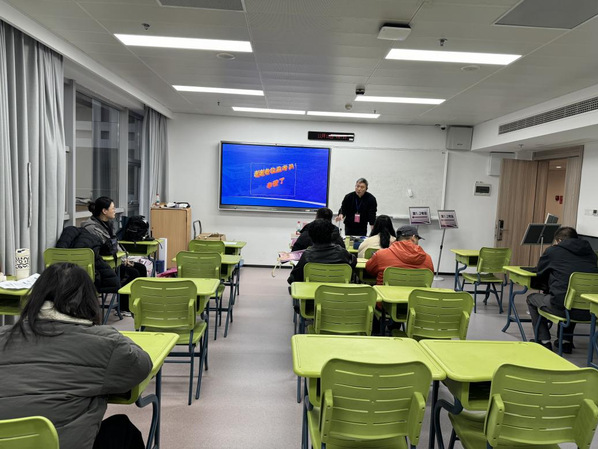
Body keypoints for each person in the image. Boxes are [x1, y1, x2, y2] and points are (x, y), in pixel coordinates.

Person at [0, 263, 152, 449]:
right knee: (123, 430)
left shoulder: (3, 335)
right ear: (88, 300)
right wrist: (113, 335)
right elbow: (141, 366)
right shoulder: (105, 343)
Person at [526, 226, 598, 353]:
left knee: (532, 299)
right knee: (574, 297)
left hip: (562, 308)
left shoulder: (553, 251)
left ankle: (544, 341)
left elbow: (540, 272)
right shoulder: (591, 253)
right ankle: (565, 341)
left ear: (559, 240)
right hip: (591, 310)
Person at [81, 196, 147, 312]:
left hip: (113, 261)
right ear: (104, 211)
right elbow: (102, 252)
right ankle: (124, 308)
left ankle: (138, 303)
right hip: (102, 267)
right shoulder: (92, 228)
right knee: (133, 273)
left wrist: (124, 258)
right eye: (113, 208)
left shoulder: (108, 224)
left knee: (141, 268)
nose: (115, 210)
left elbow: (114, 244)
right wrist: (121, 261)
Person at [287, 219, 357, 284]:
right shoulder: (342, 253)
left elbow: (293, 279)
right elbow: (353, 263)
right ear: (331, 234)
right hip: (339, 291)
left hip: (313, 291)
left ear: (311, 236)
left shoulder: (307, 255)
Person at [365, 225, 434, 285]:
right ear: (413, 238)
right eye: (418, 238)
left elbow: (369, 269)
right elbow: (429, 278)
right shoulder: (427, 259)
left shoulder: (381, 254)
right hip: (416, 296)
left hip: (385, 295)